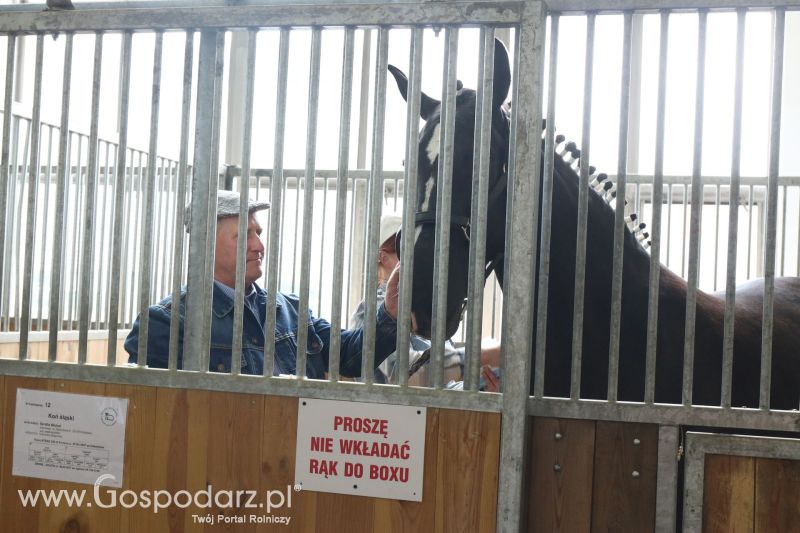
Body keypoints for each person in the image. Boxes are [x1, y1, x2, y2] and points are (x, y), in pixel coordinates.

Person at [125, 190, 398, 377]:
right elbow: (154, 409)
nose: (259, 245)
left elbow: (351, 358)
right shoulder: (168, 323)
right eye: (244, 235)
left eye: (258, 233)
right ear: (205, 244)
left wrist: (390, 312)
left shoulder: (291, 311)